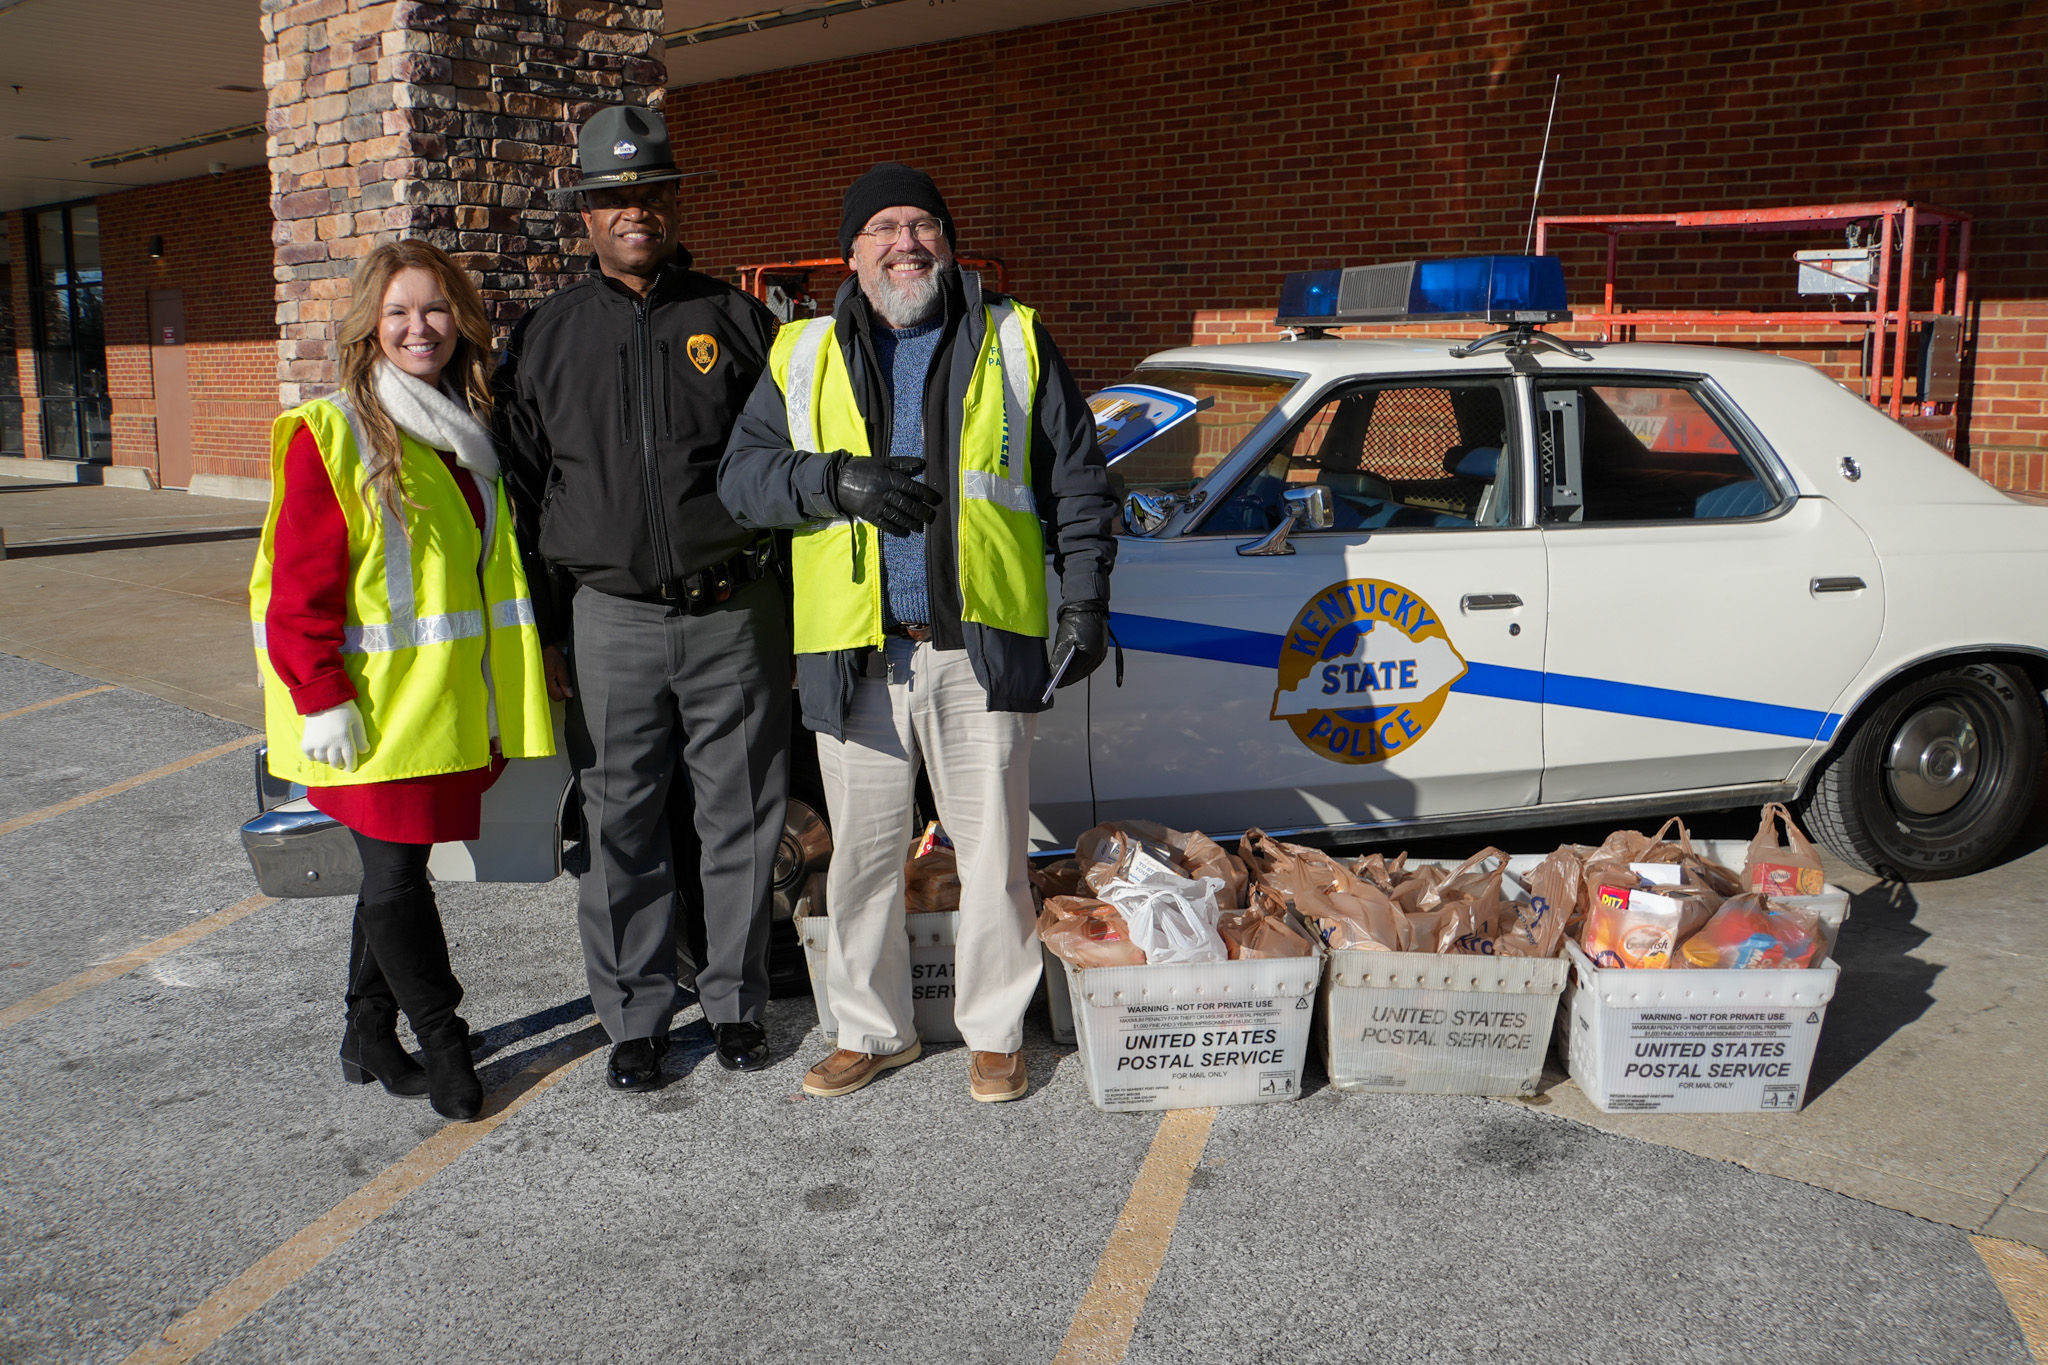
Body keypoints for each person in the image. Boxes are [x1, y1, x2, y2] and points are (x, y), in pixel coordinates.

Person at [720, 163, 1118, 1103]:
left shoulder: (1013, 338)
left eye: (923, 224)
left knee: (991, 857)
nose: (906, 242)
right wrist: (834, 480)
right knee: (859, 860)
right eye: (884, 228)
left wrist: (1087, 597)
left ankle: (993, 1031)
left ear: (946, 238)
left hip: (975, 648)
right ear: (853, 252)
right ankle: (870, 1029)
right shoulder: (801, 352)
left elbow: (1079, 482)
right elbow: (743, 481)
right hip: (856, 652)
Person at [496, 104, 789, 1090]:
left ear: (671, 202)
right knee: (619, 826)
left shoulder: (738, 322)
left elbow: (781, 469)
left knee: (741, 818)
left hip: (733, 610)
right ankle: (633, 1018)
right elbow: (525, 498)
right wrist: (544, 632)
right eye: (613, 196)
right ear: (584, 214)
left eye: (650, 192)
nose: (634, 210)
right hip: (608, 619)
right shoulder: (543, 338)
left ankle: (738, 1003)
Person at [250, 239, 555, 1122]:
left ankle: (367, 1031)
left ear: (459, 319)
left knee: (402, 866)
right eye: (398, 313)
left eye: (433, 309)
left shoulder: (464, 431)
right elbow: (295, 589)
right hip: (368, 713)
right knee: (394, 879)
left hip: (447, 710)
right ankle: (446, 1042)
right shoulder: (333, 433)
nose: (419, 327)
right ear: (368, 330)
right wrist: (320, 696)